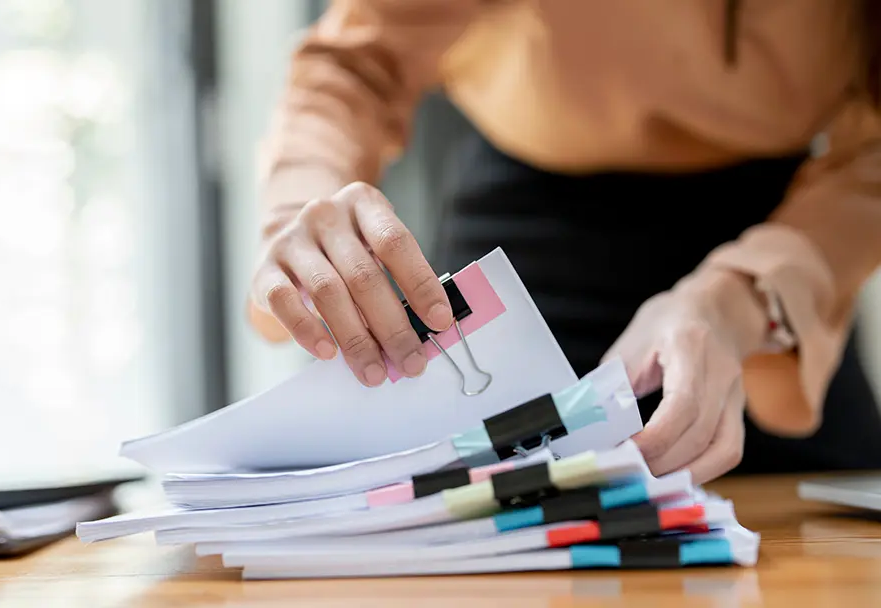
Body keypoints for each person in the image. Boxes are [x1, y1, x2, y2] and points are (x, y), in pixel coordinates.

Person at [244, 0, 881, 484]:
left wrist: (742, 300)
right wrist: (299, 211)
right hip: (527, 253)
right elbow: (359, 61)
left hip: (783, 265)